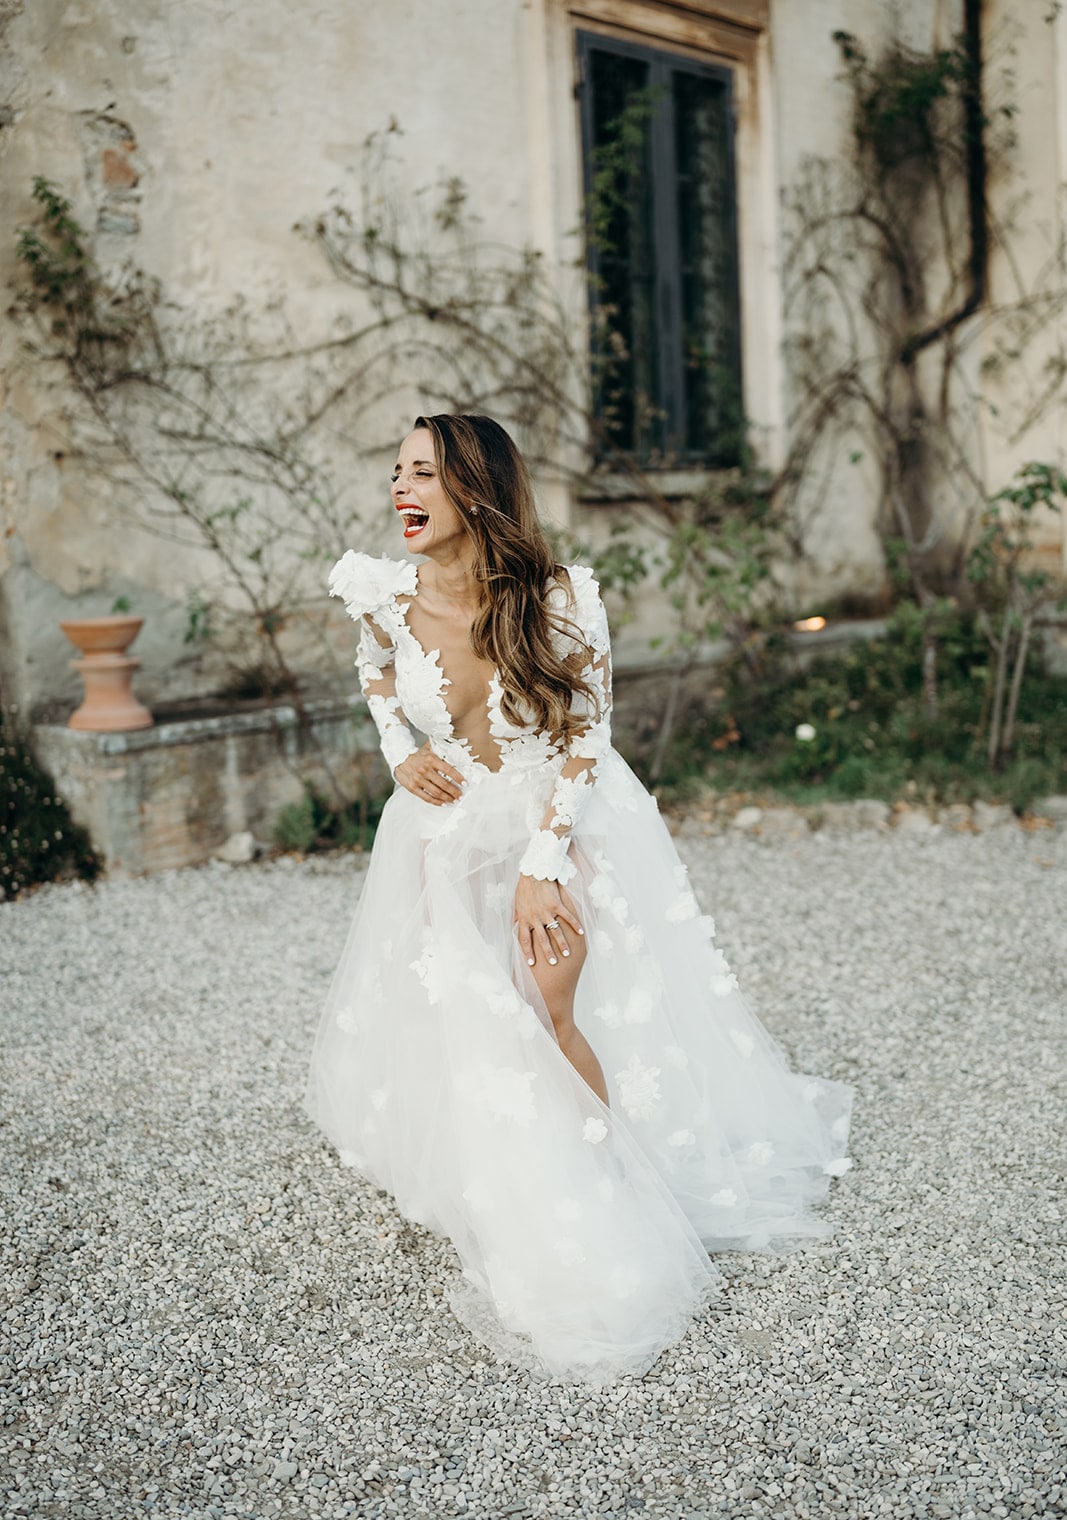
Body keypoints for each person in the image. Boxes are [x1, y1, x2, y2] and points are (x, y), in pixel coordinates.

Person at [304, 412, 853, 1383]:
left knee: (551, 1001)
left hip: (557, 819)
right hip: (440, 833)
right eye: (395, 473)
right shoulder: (382, 594)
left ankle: (608, 1192)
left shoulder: (559, 599)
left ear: (474, 487)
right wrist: (401, 755)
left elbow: (585, 736)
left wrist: (542, 861)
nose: (400, 491)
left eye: (422, 474)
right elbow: (373, 674)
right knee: (470, 1008)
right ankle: (503, 1174)